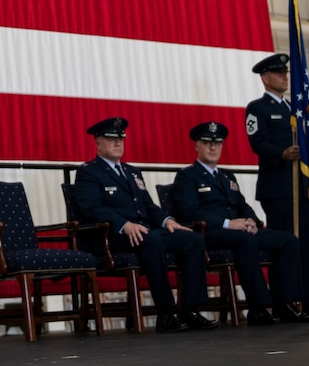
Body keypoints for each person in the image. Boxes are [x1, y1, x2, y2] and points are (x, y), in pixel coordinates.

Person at [73, 117, 219, 332]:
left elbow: (149, 206)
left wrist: (168, 220)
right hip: (112, 235)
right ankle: (166, 313)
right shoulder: (88, 172)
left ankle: (190, 309)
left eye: (120, 138)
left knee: (192, 240)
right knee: (152, 241)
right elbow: (92, 208)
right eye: (111, 138)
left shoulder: (133, 172)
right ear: (98, 143)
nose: (117, 143)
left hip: (143, 232)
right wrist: (124, 224)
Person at [173, 121, 309, 325]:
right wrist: (229, 223)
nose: (213, 147)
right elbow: (189, 212)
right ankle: (258, 308)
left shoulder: (227, 176)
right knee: (244, 240)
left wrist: (251, 220)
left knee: (288, 240)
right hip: (210, 233)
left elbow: (242, 204)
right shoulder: (187, 176)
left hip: (239, 229)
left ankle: (285, 304)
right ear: (197, 146)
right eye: (207, 143)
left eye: (217, 143)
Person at [245, 53, 309, 319]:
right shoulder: (258, 108)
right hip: (278, 188)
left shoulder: (295, 108)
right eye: (279, 73)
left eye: (285, 73)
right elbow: (257, 143)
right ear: (266, 78)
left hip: (302, 187)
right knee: (286, 245)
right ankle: (285, 302)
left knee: (308, 246)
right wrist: (281, 153)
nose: (284, 77)